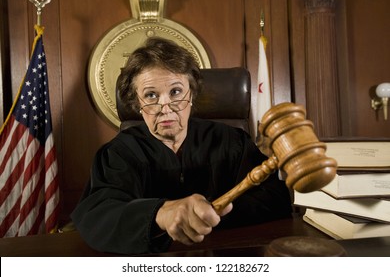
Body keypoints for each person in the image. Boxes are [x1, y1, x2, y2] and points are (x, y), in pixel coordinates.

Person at [71, 37, 292, 255]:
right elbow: (99, 216)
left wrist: (212, 213)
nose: (165, 107)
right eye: (151, 95)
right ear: (137, 103)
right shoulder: (119, 154)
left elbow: (275, 199)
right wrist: (161, 213)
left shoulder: (230, 141)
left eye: (175, 92)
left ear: (192, 94)